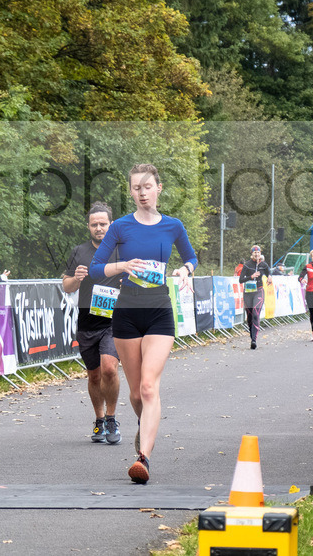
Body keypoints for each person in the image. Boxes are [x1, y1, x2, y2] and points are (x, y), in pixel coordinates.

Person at [89, 164, 198, 484]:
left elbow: (191, 258)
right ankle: (143, 425)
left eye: (147, 187)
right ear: (131, 192)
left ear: (158, 188)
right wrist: (122, 265)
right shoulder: (121, 227)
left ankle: (143, 459)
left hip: (159, 311)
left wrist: (184, 272)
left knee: (150, 386)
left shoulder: (173, 226)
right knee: (136, 393)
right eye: (136, 188)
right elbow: (96, 268)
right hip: (127, 312)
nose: (142, 193)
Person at [62, 201, 122, 446]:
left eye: (103, 224)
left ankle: (111, 418)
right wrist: (75, 279)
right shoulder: (79, 251)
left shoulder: (122, 250)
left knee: (109, 369)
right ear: (88, 226)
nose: (99, 228)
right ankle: (99, 420)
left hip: (114, 322)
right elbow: (66, 287)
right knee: (94, 375)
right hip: (87, 322)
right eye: (95, 224)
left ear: (111, 225)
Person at [238, 245, 271, 350]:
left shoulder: (263, 264)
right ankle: (252, 336)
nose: (257, 254)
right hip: (248, 292)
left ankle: (254, 340)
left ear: (260, 253)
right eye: (255, 253)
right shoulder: (247, 265)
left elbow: (268, 272)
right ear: (251, 254)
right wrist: (251, 277)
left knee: (256, 313)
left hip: (259, 291)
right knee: (250, 316)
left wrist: (269, 277)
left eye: (258, 253)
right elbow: (240, 280)